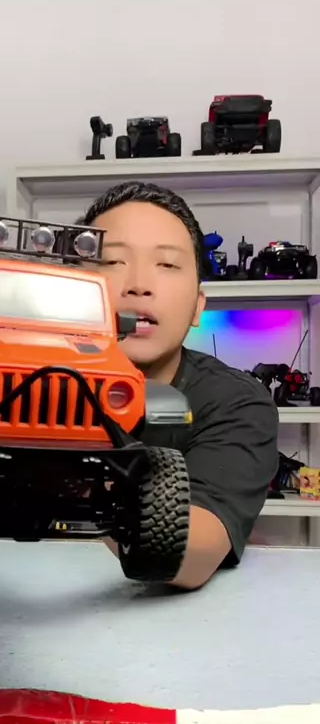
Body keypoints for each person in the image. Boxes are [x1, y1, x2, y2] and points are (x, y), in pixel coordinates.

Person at [80, 181, 279, 590]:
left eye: (167, 265)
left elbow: (188, 553)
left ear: (197, 307)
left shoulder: (236, 403)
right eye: (113, 261)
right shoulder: (16, 385)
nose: (139, 284)